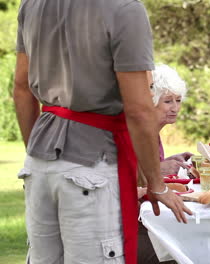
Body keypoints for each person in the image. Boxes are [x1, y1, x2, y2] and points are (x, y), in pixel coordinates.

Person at [14, 1, 192, 263]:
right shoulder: (124, 9)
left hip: (39, 161)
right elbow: (139, 110)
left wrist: (38, 154)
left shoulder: (31, 4)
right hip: (93, 164)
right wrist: (157, 184)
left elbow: (21, 88)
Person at [137, 64, 192, 264]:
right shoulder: (139, 133)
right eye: (167, 101)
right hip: (136, 224)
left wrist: (169, 162)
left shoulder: (154, 132)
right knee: (185, 251)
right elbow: (126, 177)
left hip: (149, 218)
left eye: (178, 100)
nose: (175, 108)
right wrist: (159, 169)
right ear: (150, 102)